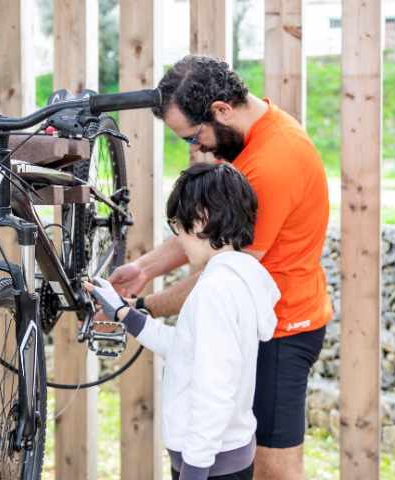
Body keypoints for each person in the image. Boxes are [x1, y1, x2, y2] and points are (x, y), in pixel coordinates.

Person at [106, 55, 332, 480]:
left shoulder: (270, 166)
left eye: (195, 135)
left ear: (222, 110)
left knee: (274, 469)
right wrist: (144, 268)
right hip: (263, 318)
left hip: (285, 330)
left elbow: (221, 272)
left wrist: (144, 304)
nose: (197, 148)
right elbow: (206, 231)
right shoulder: (258, 133)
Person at [86, 162, 279, 480]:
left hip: (207, 467)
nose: (177, 234)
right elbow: (187, 348)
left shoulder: (213, 292)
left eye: (177, 223)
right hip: (227, 456)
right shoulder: (239, 278)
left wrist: (194, 471)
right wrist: (123, 312)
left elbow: (213, 391)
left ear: (201, 219)